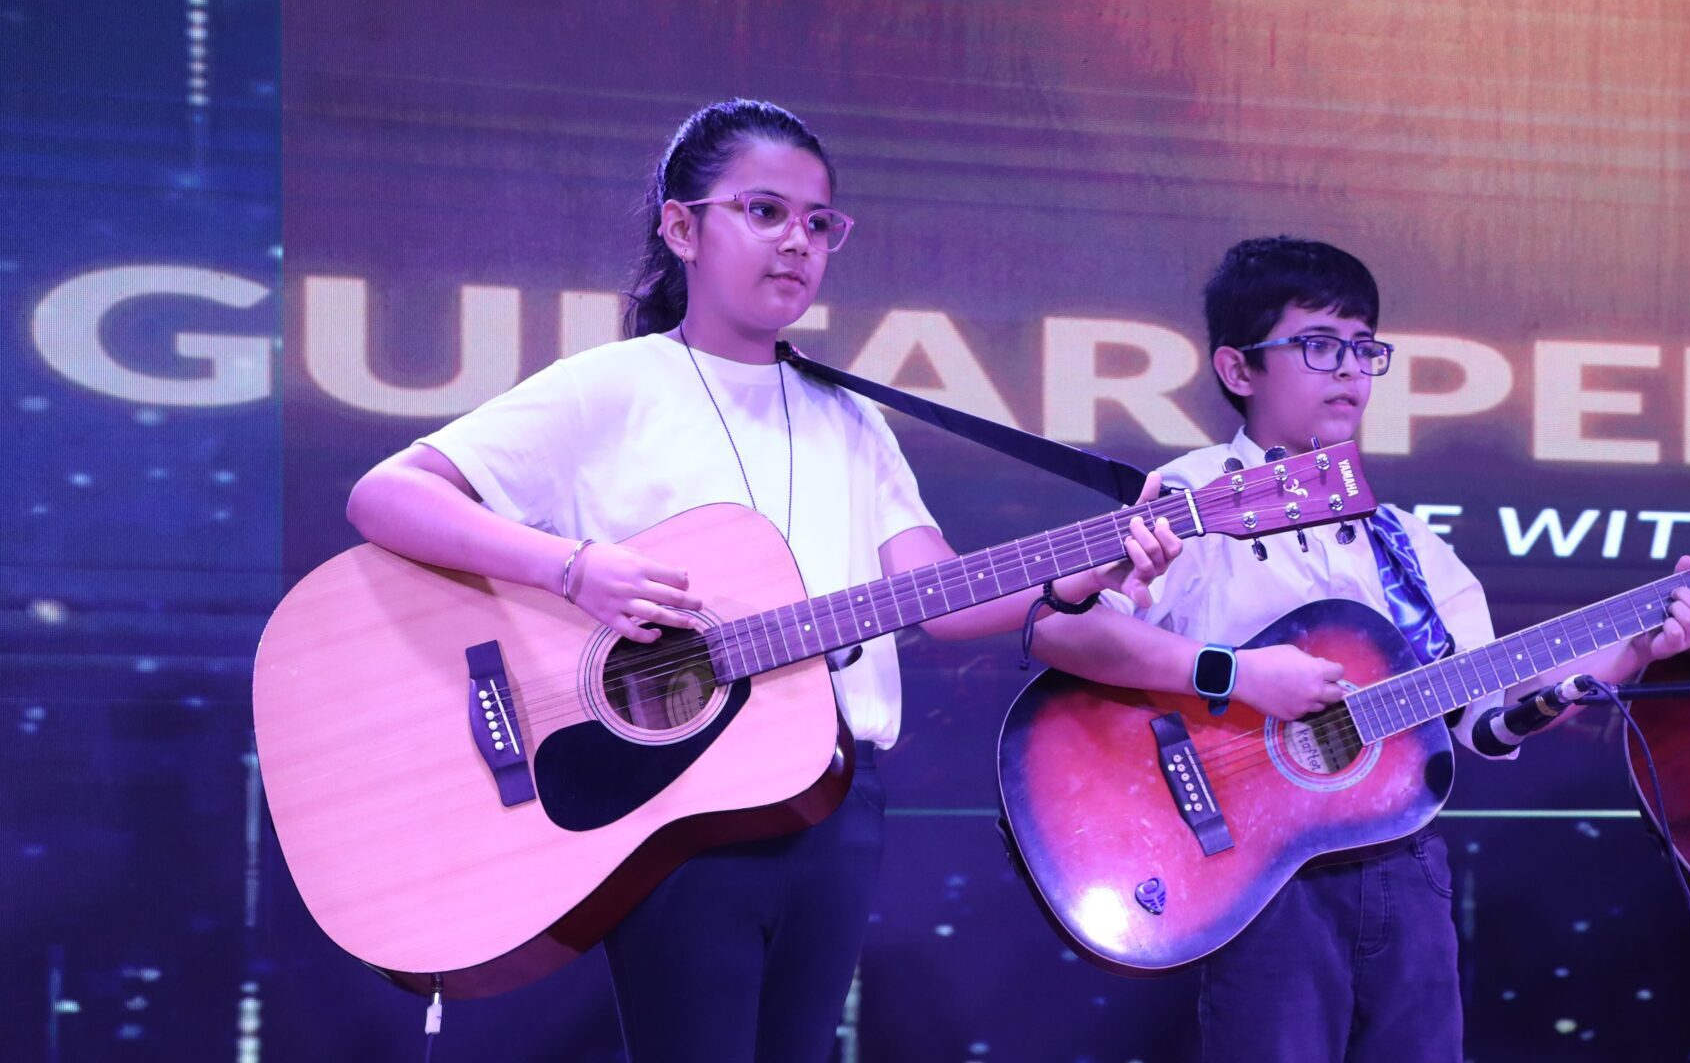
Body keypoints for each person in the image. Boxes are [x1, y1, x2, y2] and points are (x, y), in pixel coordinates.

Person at [342, 98, 1175, 1061]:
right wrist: (571, 568)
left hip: (835, 801)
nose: (798, 242)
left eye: (819, 223)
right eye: (765, 212)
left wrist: (1088, 566)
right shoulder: (611, 386)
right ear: (681, 227)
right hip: (675, 803)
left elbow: (937, 593)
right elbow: (388, 496)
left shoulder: (849, 419)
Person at [1033, 235, 1690, 1062]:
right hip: (1260, 871)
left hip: (1406, 865)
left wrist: (1629, 652)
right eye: (1320, 346)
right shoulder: (1191, 497)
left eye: (1364, 348)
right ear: (1239, 368)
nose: (1351, 371)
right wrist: (1237, 674)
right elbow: (1060, 627)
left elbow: (1484, 718)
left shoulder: (1405, 544)